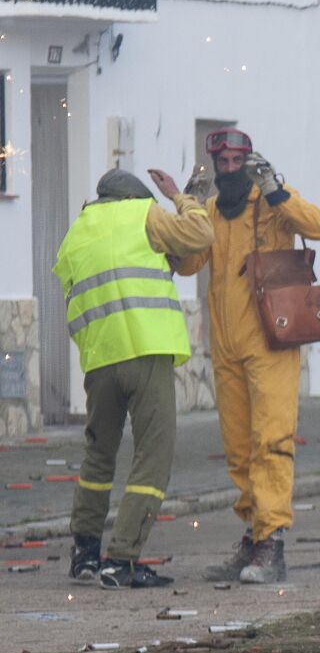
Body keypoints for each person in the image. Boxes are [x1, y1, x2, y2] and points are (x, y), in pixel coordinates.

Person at [173, 129, 320, 584]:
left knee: (271, 442)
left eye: (235, 163)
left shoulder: (272, 203)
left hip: (271, 343)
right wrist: (186, 206)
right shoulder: (211, 214)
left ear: (248, 162)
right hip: (227, 347)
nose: (228, 171)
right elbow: (186, 264)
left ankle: (272, 542)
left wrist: (278, 189)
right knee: (239, 449)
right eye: (220, 165)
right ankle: (253, 535)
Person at [54, 168, 214, 588]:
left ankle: (85, 552)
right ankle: (122, 558)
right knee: (153, 454)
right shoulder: (142, 214)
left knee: (98, 453)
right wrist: (180, 196)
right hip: (144, 347)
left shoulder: (76, 234)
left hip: (100, 358)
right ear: (132, 197)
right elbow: (200, 235)